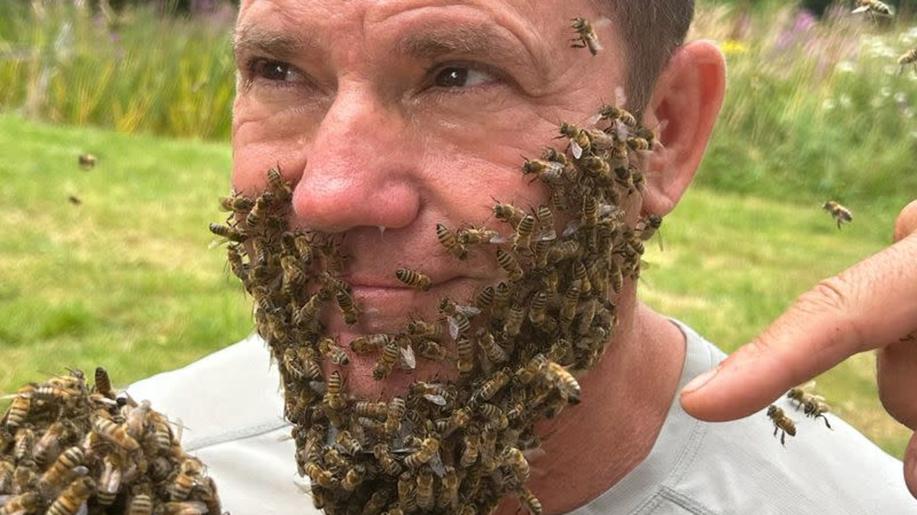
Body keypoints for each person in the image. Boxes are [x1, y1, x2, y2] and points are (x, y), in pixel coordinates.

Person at [129, 0, 917, 513]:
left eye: (458, 77)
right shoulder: (138, 470)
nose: (327, 194)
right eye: (278, 72)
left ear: (664, 131)